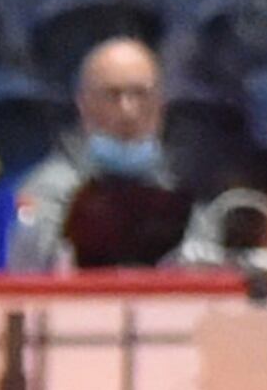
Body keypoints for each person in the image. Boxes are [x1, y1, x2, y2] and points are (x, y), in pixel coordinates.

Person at [10, 37, 171, 271]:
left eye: (140, 94)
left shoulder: (179, 185)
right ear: (83, 104)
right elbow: (35, 265)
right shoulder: (49, 190)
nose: (128, 110)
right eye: (112, 95)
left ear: (160, 104)